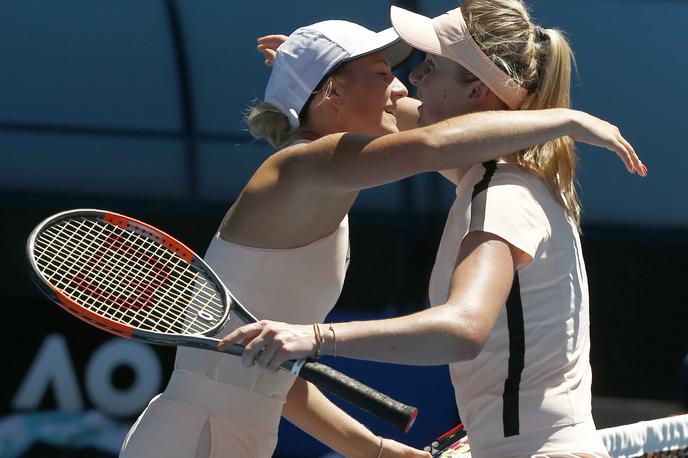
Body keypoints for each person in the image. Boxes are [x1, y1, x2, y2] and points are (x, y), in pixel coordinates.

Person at [121, 15, 642, 458]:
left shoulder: (319, 182)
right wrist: (566, 118)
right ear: (334, 93)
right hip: (197, 436)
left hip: (225, 432)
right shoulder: (304, 166)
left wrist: (376, 450)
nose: (402, 86)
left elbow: (274, 373)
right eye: (381, 74)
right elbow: (436, 140)